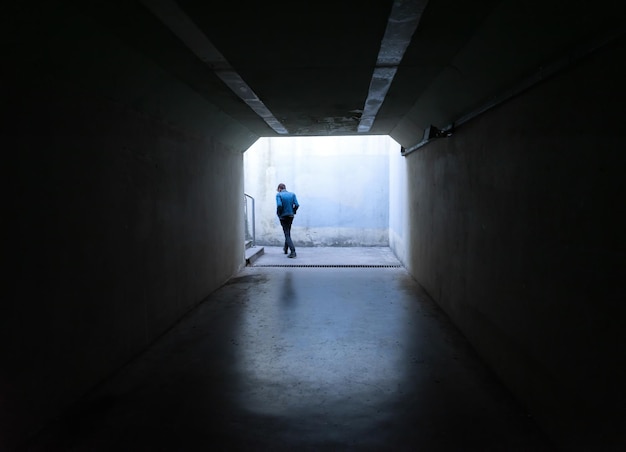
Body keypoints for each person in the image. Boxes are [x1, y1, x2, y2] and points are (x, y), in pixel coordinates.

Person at [276, 183, 299, 258]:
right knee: (287, 231)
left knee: (286, 233)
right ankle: (285, 249)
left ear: (279, 188)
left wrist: (279, 213)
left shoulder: (279, 195)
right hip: (290, 215)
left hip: (283, 216)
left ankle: (293, 251)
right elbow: (297, 204)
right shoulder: (292, 194)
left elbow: (279, 205)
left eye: (278, 189)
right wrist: (293, 211)